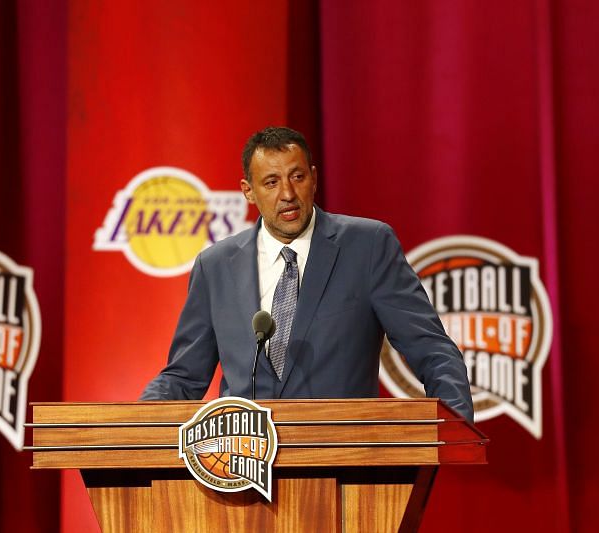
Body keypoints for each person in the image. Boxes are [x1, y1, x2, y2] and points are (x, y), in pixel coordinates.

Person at [140, 126, 474, 422]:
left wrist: (456, 425)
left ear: (313, 177)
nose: (287, 194)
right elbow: (184, 377)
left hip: (344, 465)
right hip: (242, 469)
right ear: (248, 191)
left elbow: (430, 349)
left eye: (297, 177)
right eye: (271, 182)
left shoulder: (368, 246)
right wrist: (129, 427)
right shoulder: (215, 266)